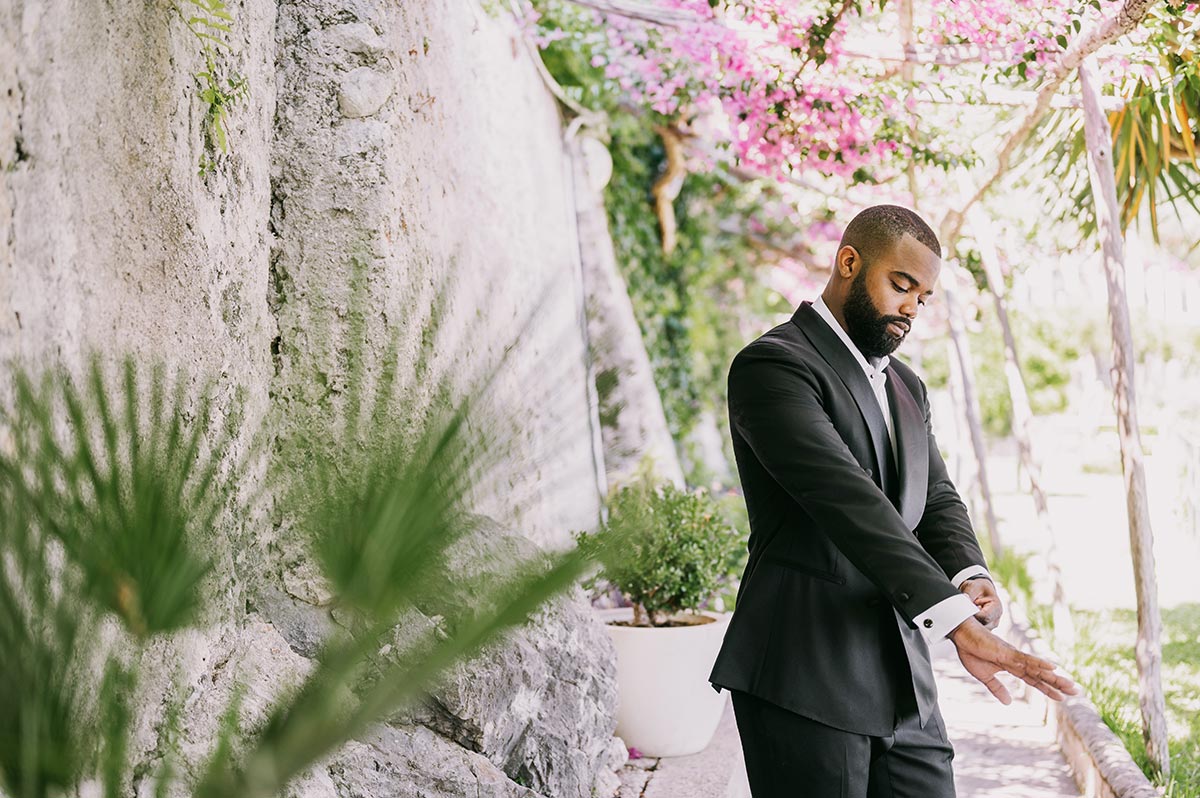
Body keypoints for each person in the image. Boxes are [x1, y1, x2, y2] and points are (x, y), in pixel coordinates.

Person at [707, 205, 1077, 797]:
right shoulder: (773, 365)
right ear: (848, 262)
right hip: (805, 673)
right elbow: (849, 500)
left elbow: (934, 494)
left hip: (906, 681)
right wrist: (956, 624)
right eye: (901, 285)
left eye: (922, 297)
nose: (910, 307)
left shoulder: (906, 384)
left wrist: (969, 572)